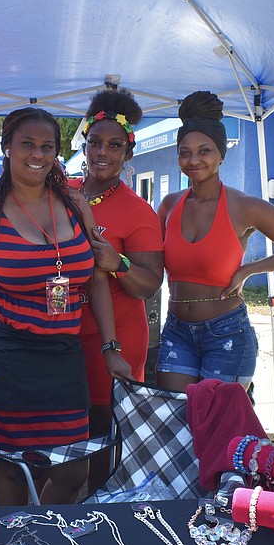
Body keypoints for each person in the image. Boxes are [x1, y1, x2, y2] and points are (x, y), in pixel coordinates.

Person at [0, 107, 133, 506]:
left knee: (73, 469)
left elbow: (96, 278)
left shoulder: (77, 205)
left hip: (61, 356)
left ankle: (43, 532)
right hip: (2, 354)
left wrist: (110, 347)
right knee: (14, 467)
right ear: (7, 147)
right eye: (27, 143)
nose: (38, 154)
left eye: (47, 146)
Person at [156, 91, 274, 394]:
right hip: (176, 331)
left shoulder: (244, 206)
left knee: (218, 431)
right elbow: (149, 265)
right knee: (174, 427)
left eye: (204, 150)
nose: (193, 160)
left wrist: (249, 270)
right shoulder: (168, 205)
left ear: (221, 153)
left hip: (226, 335)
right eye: (184, 152)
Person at [68, 89, 164, 492]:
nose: (102, 152)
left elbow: (149, 283)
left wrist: (118, 264)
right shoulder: (65, 194)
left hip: (117, 341)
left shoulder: (137, 211)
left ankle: (97, 517)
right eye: (95, 143)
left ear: (128, 152)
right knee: (66, 435)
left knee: (102, 437)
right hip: (66, 336)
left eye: (114, 145)